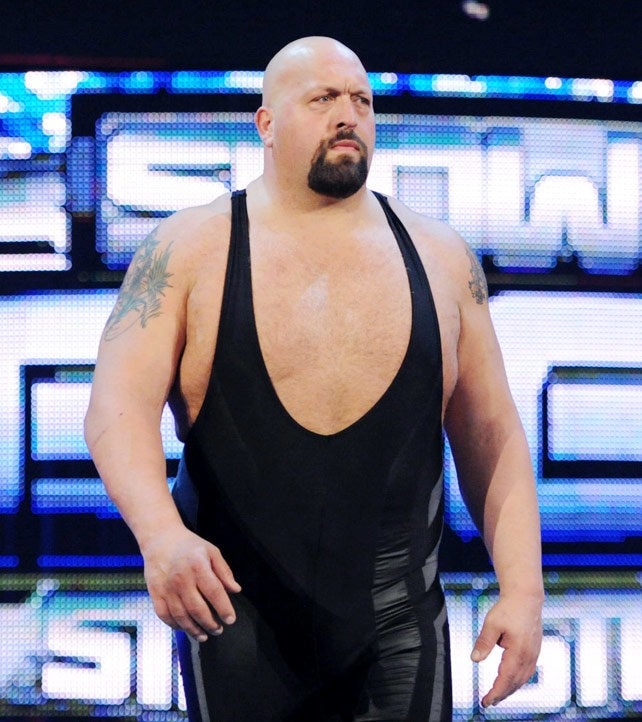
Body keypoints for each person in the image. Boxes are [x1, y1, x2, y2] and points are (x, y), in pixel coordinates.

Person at [84, 35, 544, 721]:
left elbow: (492, 434)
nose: (347, 115)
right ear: (266, 124)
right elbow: (116, 408)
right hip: (236, 613)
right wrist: (160, 535)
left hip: (398, 622)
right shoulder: (187, 250)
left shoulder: (443, 258)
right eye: (323, 98)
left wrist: (524, 588)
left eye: (361, 100)